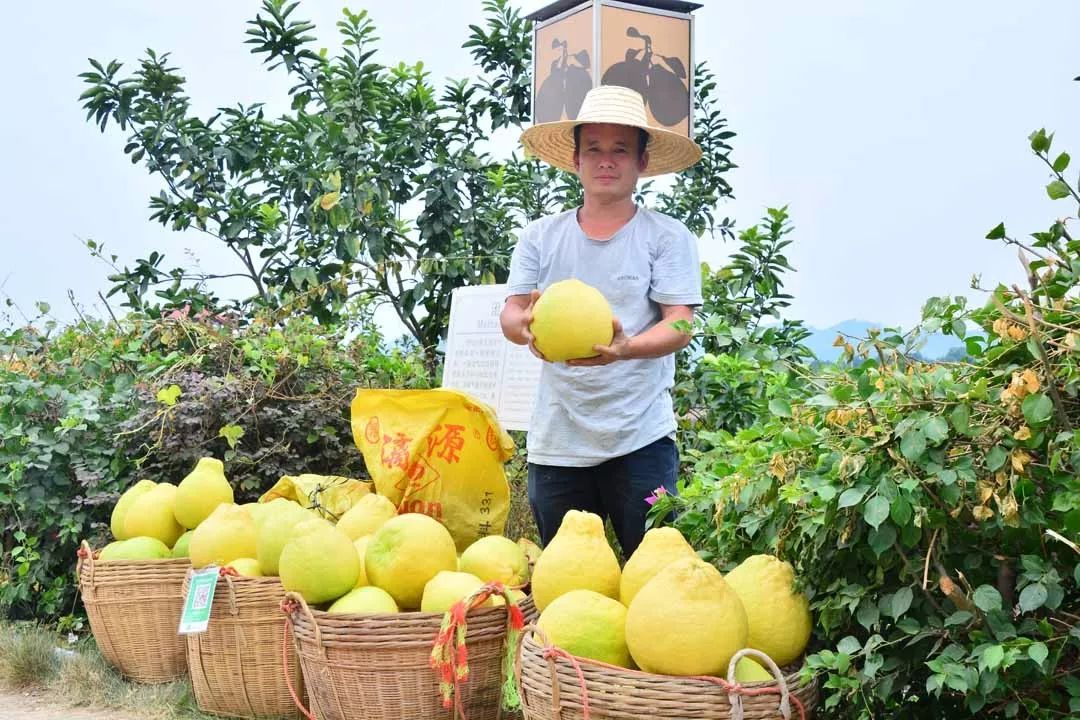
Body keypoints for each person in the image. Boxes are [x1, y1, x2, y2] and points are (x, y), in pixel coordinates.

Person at [499, 85, 704, 557]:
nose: (605, 161)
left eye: (619, 151)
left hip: (641, 438)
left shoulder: (667, 237)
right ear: (576, 160)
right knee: (568, 577)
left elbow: (680, 324)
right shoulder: (539, 237)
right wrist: (523, 324)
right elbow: (511, 312)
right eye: (594, 150)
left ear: (642, 163)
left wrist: (626, 347)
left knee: (655, 571)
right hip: (559, 441)